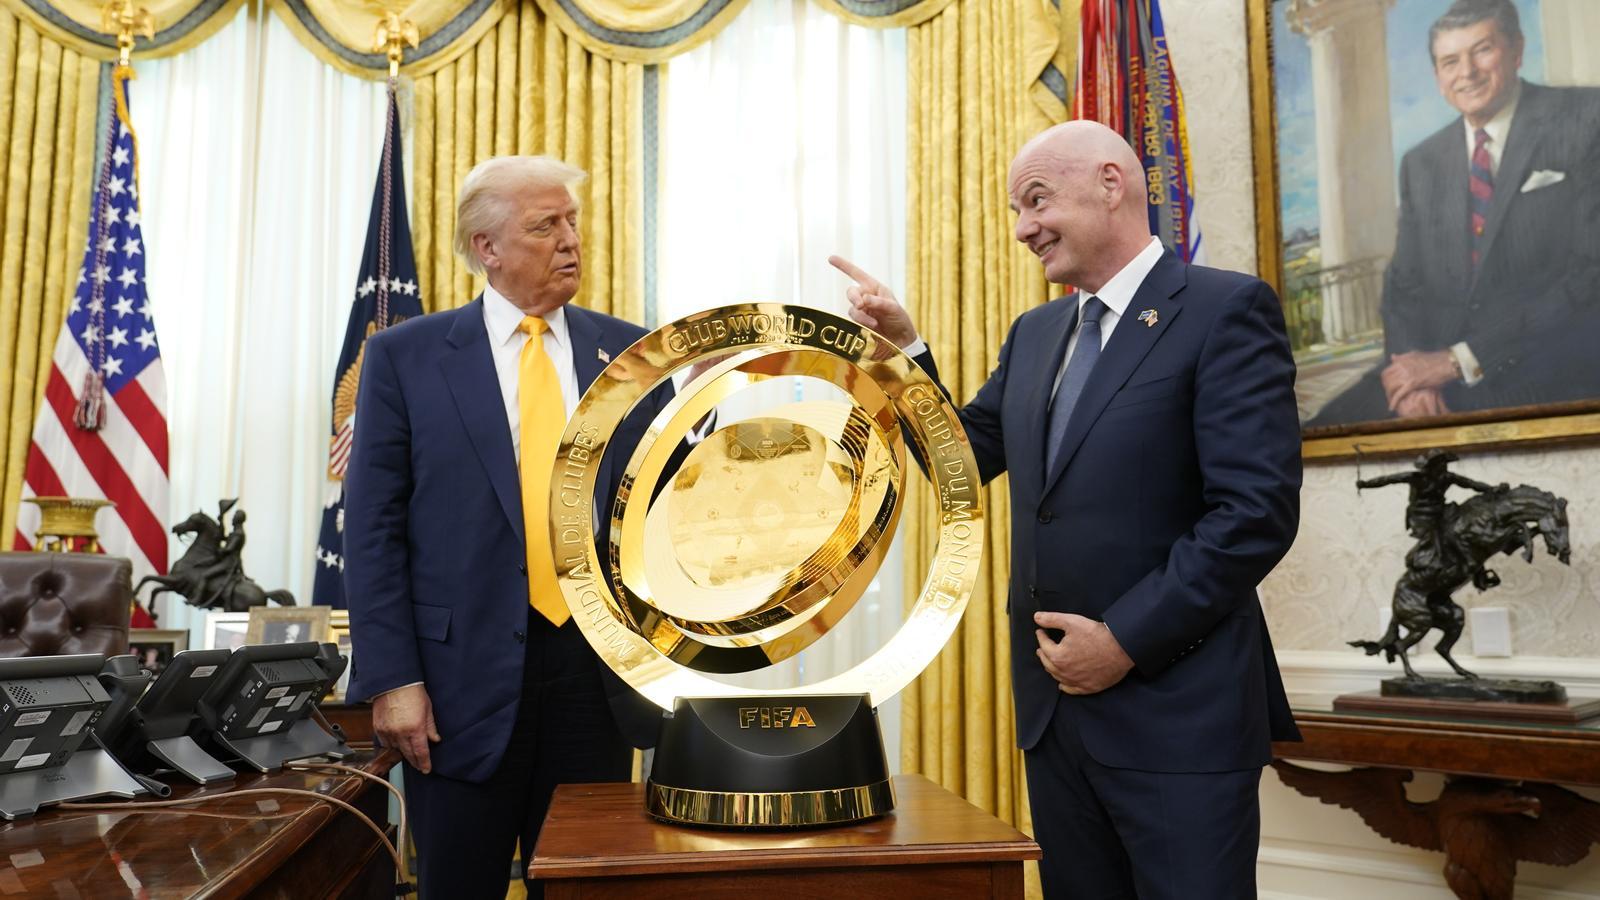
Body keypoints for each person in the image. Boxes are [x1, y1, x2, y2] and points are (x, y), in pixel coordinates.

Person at [832, 120, 1302, 898]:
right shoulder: (1036, 332)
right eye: (1018, 209)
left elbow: (1254, 514)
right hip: (1056, 722)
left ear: (1111, 183)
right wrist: (906, 353)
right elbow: (964, 459)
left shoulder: (1225, 310)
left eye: (1037, 200)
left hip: (1177, 721)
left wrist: (1124, 638)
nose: (1023, 228)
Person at [343, 155, 671, 898]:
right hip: (456, 690)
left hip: (596, 680)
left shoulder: (631, 355)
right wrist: (394, 679)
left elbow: (663, 513)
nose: (570, 240)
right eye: (545, 225)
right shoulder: (405, 357)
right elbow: (372, 531)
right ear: (487, 247)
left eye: (573, 221)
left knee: (591, 888)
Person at [1311, 0, 1600, 425]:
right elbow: (1403, 287)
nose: (1466, 72)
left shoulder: (1586, 119)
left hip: (1543, 359)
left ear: (1517, 51)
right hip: (1433, 370)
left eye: (1482, 50)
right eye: (1450, 61)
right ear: (1437, 76)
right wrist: (1413, 377)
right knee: (1313, 438)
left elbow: (1590, 274)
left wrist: (1457, 361)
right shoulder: (1421, 162)